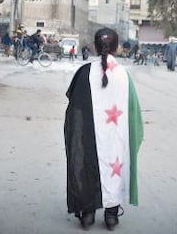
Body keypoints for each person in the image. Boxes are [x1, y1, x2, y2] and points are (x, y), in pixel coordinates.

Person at [64, 27, 144, 231]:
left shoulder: (84, 73)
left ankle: (88, 213)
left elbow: (74, 108)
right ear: (117, 47)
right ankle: (111, 215)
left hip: (90, 137)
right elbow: (135, 114)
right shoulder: (124, 76)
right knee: (115, 167)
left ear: (94, 46)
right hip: (117, 138)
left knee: (89, 164)